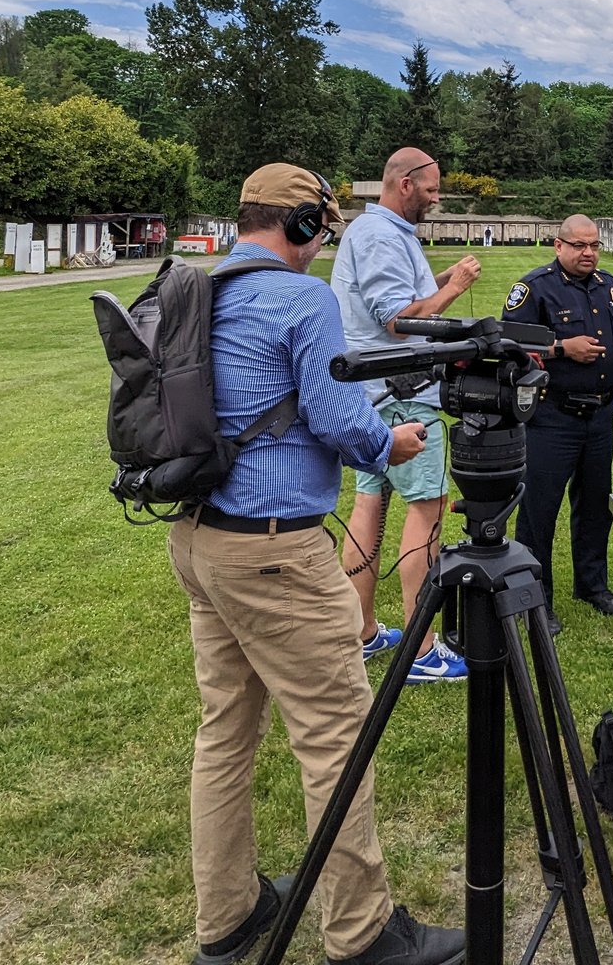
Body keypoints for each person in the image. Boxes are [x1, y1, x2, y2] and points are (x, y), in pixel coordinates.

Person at [169, 164, 462, 965]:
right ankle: (362, 932)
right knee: (336, 735)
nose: (322, 245)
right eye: (322, 230)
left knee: (224, 734)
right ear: (301, 226)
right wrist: (389, 441)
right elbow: (337, 415)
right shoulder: (302, 298)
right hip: (274, 553)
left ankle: (226, 916)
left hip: (201, 541)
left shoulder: (200, 287)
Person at [331, 148, 482, 684]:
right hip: (401, 393)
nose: (438, 195)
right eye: (433, 187)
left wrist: (436, 280)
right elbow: (398, 322)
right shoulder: (378, 236)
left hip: (371, 393)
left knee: (369, 503)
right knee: (428, 509)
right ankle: (421, 650)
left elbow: (396, 300)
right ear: (404, 185)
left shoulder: (383, 233)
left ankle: (363, 632)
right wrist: (455, 289)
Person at [502, 215, 613, 634]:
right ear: (558, 245)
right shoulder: (534, 289)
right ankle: (536, 598)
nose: (588, 253)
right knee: (538, 512)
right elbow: (511, 345)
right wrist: (563, 347)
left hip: (601, 416)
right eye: (580, 245)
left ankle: (592, 585)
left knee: (594, 506)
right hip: (552, 416)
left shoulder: (609, 285)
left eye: (594, 246)